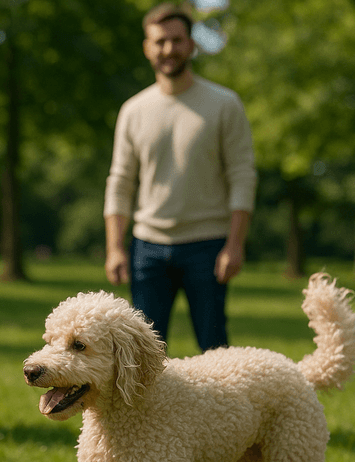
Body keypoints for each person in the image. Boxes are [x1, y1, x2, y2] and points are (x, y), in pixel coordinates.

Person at [104, 2, 257, 352]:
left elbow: (242, 175)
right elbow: (120, 181)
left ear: (191, 44)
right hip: (147, 247)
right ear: (147, 48)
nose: (168, 49)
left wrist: (235, 244)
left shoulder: (224, 104)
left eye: (176, 40)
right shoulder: (133, 110)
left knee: (216, 351)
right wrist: (115, 247)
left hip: (208, 245)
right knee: (143, 354)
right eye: (159, 42)